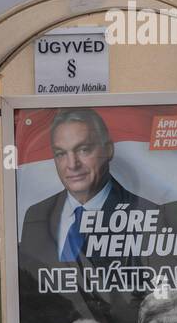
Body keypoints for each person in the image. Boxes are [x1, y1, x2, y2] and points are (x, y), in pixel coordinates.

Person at [19, 108, 157, 269]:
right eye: (61, 153)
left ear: (108, 150)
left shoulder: (147, 214)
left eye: (83, 150)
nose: (72, 165)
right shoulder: (36, 215)